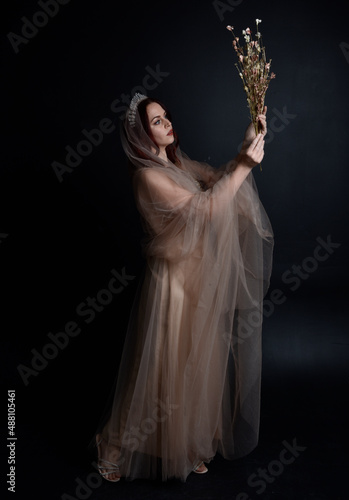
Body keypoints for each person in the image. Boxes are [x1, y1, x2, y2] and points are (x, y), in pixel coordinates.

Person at [94, 93, 274, 483]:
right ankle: (112, 445)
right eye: (156, 121)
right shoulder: (148, 176)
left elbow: (219, 181)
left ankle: (187, 442)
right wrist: (244, 165)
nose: (167, 124)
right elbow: (205, 209)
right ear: (142, 133)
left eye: (165, 117)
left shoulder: (174, 162)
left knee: (199, 364)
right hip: (173, 285)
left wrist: (247, 143)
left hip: (199, 279)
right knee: (161, 366)